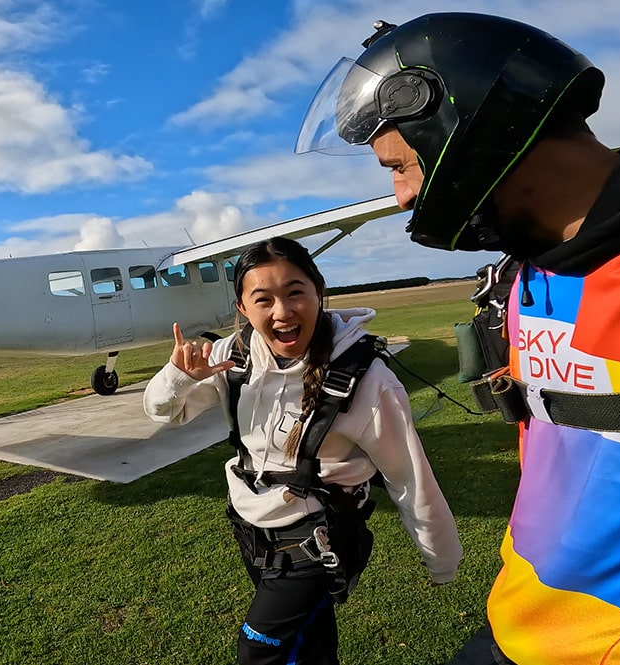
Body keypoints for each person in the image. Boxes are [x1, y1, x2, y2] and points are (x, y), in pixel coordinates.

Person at [297, 12, 620, 665]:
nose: (397, 197)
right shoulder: (524, 273)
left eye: (399, 166)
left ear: (468, 136)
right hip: (522, 617)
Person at [144, 237, 462, 665]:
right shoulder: (233, 357)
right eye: (263, 299)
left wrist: (441, 559)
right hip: (252, 531)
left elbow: (408, 477)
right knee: (310, 646)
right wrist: (178, 376)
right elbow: (164, 412)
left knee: (259, 652)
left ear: (318, 292)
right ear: (242, 308)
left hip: (316, 543)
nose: (282, 312)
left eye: (295, 292)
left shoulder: (369, 382)